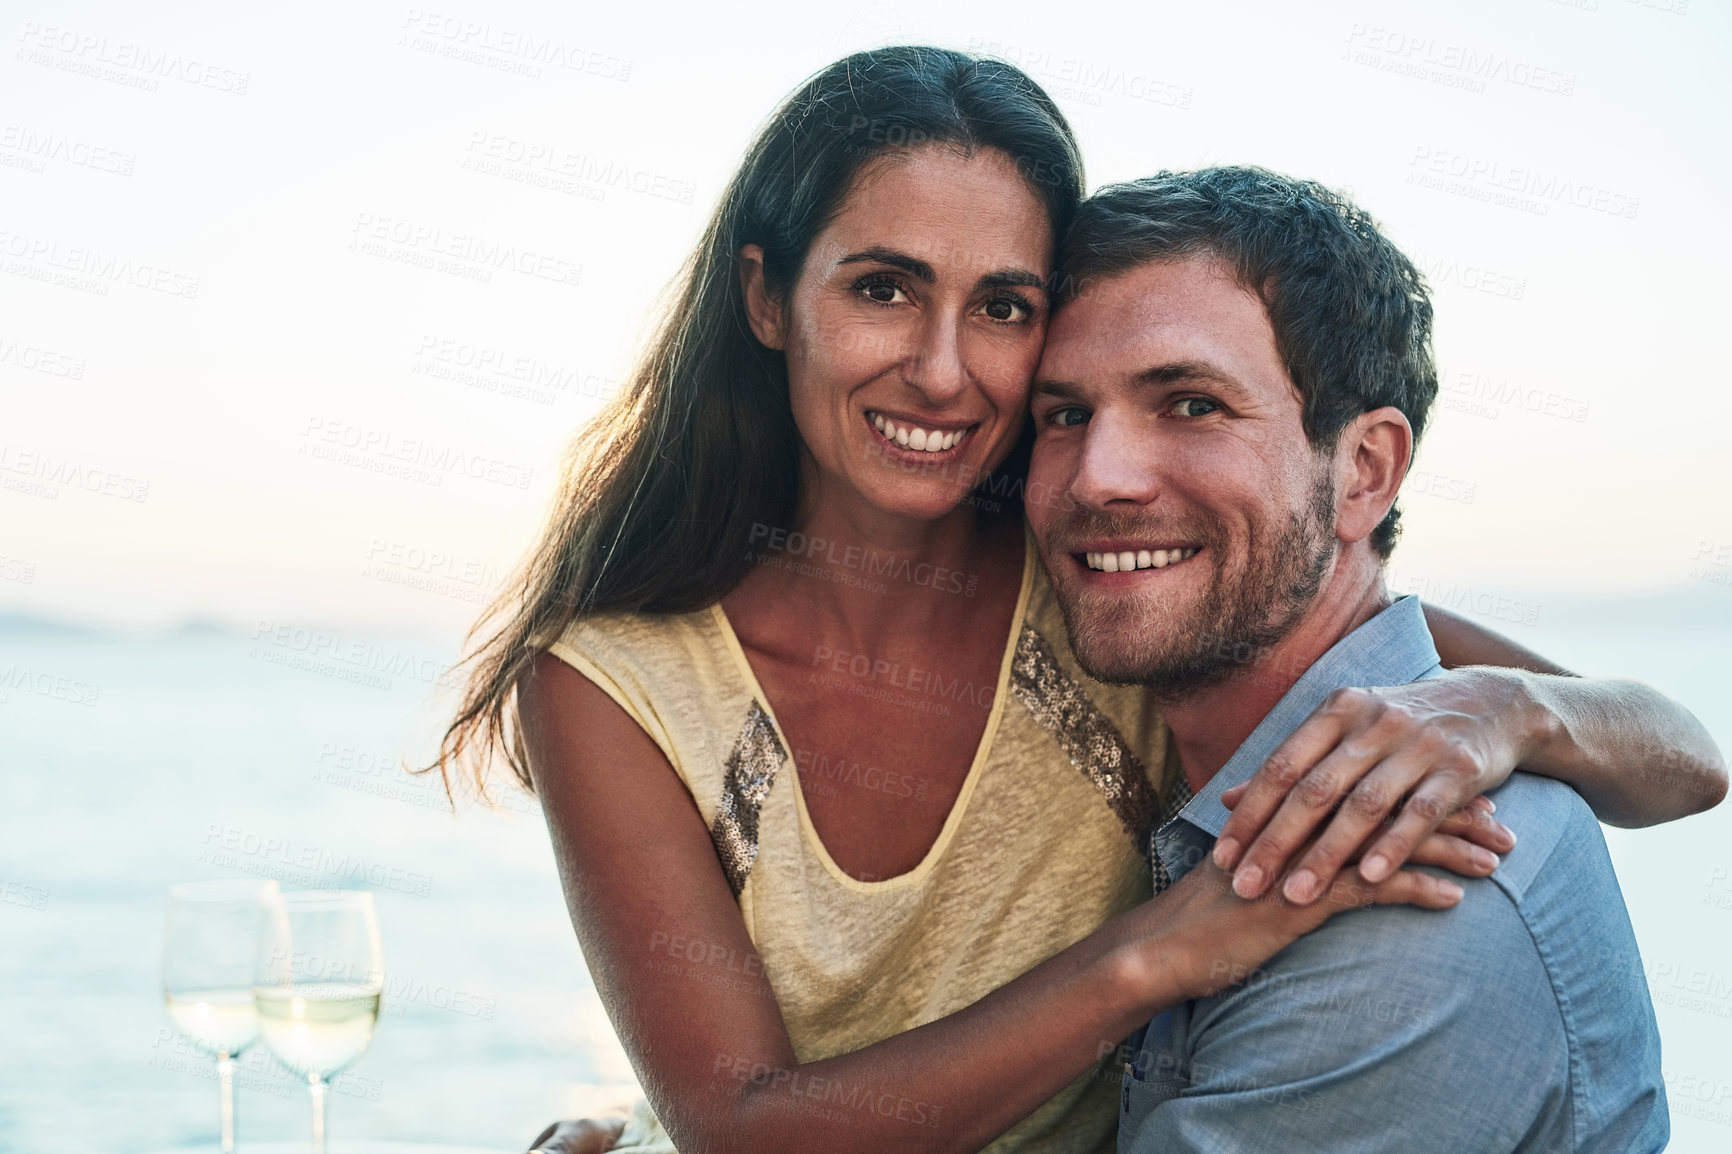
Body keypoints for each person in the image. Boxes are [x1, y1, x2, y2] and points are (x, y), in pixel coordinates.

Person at [423, 48, 1725, 1154]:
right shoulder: (620, 680)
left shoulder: (1110, 578)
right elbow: (742, 1124)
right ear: (768, 296)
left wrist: (1502, 710)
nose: (941, 370)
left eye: (1002, 306)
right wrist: (1159, 949)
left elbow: (1682, 757)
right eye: (883, 287)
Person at [1026, 166, 1701, 1152]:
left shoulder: (1413, 892)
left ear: (1364, 471)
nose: (1099, 476)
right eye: (1064, 414)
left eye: (1191, 404)